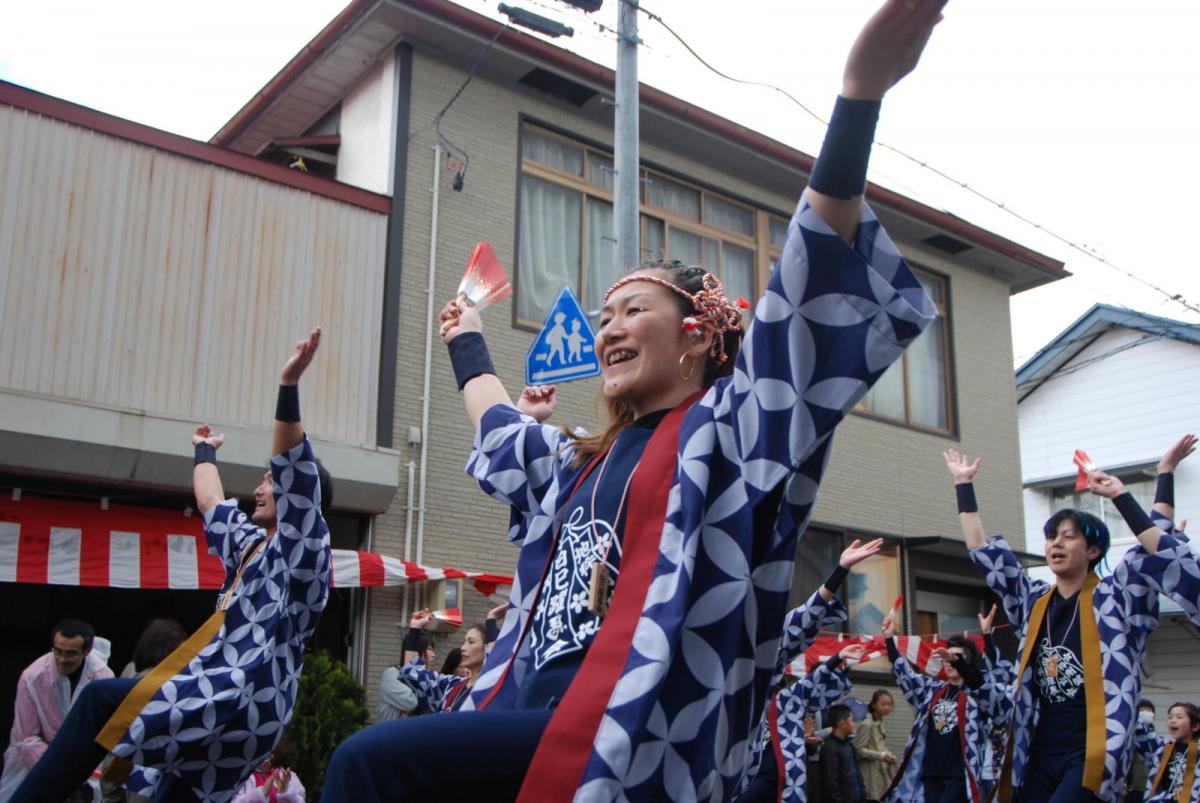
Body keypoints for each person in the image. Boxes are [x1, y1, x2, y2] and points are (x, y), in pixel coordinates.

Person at [323, 2, 942, 799]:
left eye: (632, 311)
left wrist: (858, 94)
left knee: (368, 763)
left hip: (636, 738)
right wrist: (464, 336)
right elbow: (503, 428)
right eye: (605, 314)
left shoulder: (730, 435)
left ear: (693, 335)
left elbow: (805, 284)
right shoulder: (584, 462)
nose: (609, 327)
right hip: (530, 708)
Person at [10, 330, 332, 803]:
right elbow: (210, 500)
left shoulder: (305, 547)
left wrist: (288, 384)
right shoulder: (248, 546)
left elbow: (291, 464)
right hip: (226, 708)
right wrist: (205, 449)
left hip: (239, 695)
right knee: (177, 791)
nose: (261, 488)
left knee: (101, 702)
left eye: (269, 482)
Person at [945, 434, 1200, 803]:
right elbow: (983, 553)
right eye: (1051, 538)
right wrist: (963, 485)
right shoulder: (1033, 600)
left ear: (1094, 549)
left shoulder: (1117, 596)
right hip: (1037, 747)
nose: (1056, 545)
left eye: (1068, 537)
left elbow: (1156, 544)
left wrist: (1159, 477)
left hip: (1094, 748)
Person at [880, 604, 1010, 803]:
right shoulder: (932, 690)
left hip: (960, 775)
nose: (948, 662)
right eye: (946, 658)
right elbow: (905, 676)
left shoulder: (975, 693)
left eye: (955, 658)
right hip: (931, 772)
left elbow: (993, 686)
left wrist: (986, 637)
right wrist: (889, 639)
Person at [0, 619, 114, 802]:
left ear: (87, 651)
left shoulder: (102, 677)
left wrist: (77, 773)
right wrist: (55, 772)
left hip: (82, 767)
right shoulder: (33, 676)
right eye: (58, 651)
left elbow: (101, 730)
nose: (62, 659)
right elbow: (26, 736)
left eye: (71, 654)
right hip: (35, 764)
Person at [397, 609, 487, 713]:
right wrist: (415, 628)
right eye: (464, 642)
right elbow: (413, 673)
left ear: (489, 647)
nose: (463, 647)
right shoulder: (452, 684)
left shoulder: (493, 688)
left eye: (471, 642)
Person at [1131, 702, 1200, 803]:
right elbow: (1140, 732)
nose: (1173, 720)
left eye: (1179, 717)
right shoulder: (1161, 747)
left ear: (1195, 726)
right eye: (1170, 717)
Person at [855, 690, 899, 802]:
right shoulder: (867, 724)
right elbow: (859, 750)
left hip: (881, 773)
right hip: (870, 775)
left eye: (889, 704)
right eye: (883, 704)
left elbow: (879, 745)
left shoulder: (881, 721)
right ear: (874, 704)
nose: (887, 707)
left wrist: (889, 755)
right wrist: (881, 755)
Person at [230, 741, 304, 803]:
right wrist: (261, 794)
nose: (268, 758)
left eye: (272, 755)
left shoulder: (289, 777)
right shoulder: (242, 773)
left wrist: (286, 794)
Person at [821, 704, 865, 803]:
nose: (854, 724)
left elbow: (858, 775)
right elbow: (831, 782)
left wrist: (863, 795)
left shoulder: (849, 746)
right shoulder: (829, 748)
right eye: (852, 720)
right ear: (843, 723)